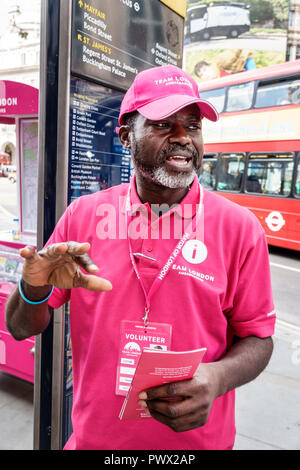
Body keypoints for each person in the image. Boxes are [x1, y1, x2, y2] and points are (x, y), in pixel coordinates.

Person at [5, 65, 275, 451]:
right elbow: (19, 328)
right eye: (165, 123)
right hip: (97, 443)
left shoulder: (240, 228)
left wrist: (217, 378)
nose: (183, 138)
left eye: (193, 125)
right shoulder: (83, 216)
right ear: (126, 136)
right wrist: (32, 287)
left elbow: (259, 339)